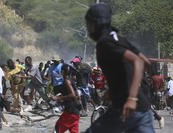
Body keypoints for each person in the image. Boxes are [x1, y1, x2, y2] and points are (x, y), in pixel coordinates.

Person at [85, 3, 154, 133]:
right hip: (143, 108)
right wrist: (116, 89)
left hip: (125, 108)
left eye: (88, 24)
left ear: (95, 24)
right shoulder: (119, 39)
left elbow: (138, 62)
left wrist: (131, 97)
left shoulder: (105, 43)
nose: (88, 29)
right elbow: (145, 62)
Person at [52, 64, 80, 133]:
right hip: (75, 112)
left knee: (58, 128)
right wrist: (63, 98)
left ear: (63, 72)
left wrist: (58, 98)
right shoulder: (71, 81)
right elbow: (77, 96)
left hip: (70, 111)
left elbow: (72, 95)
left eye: (61, 70)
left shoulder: (66, 81)